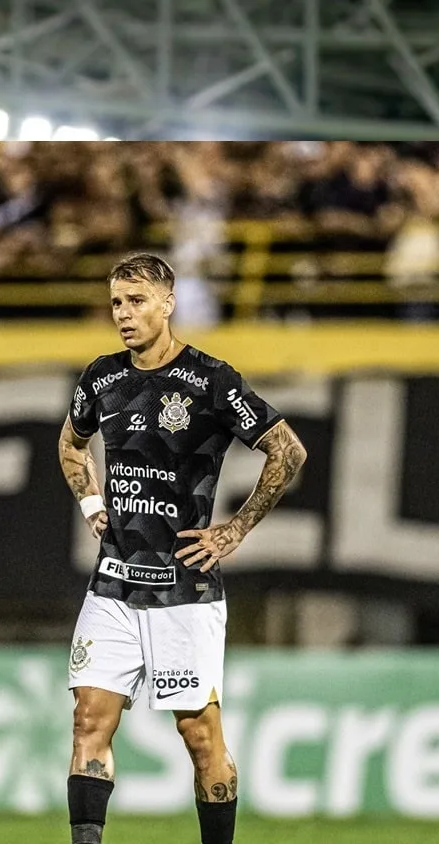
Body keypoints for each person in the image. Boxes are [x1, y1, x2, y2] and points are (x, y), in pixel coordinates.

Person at [58, 253, 307, 844]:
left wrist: (235, 529)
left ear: (168, 303)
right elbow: (71, 444)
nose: (123, 314)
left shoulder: (211, 380)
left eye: (136, 301)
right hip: (114, 581)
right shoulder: (101, 378)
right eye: (116, 302)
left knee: (199, 736)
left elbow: (288, 450)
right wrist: (91, 502)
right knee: (88, 723)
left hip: (184, 586)